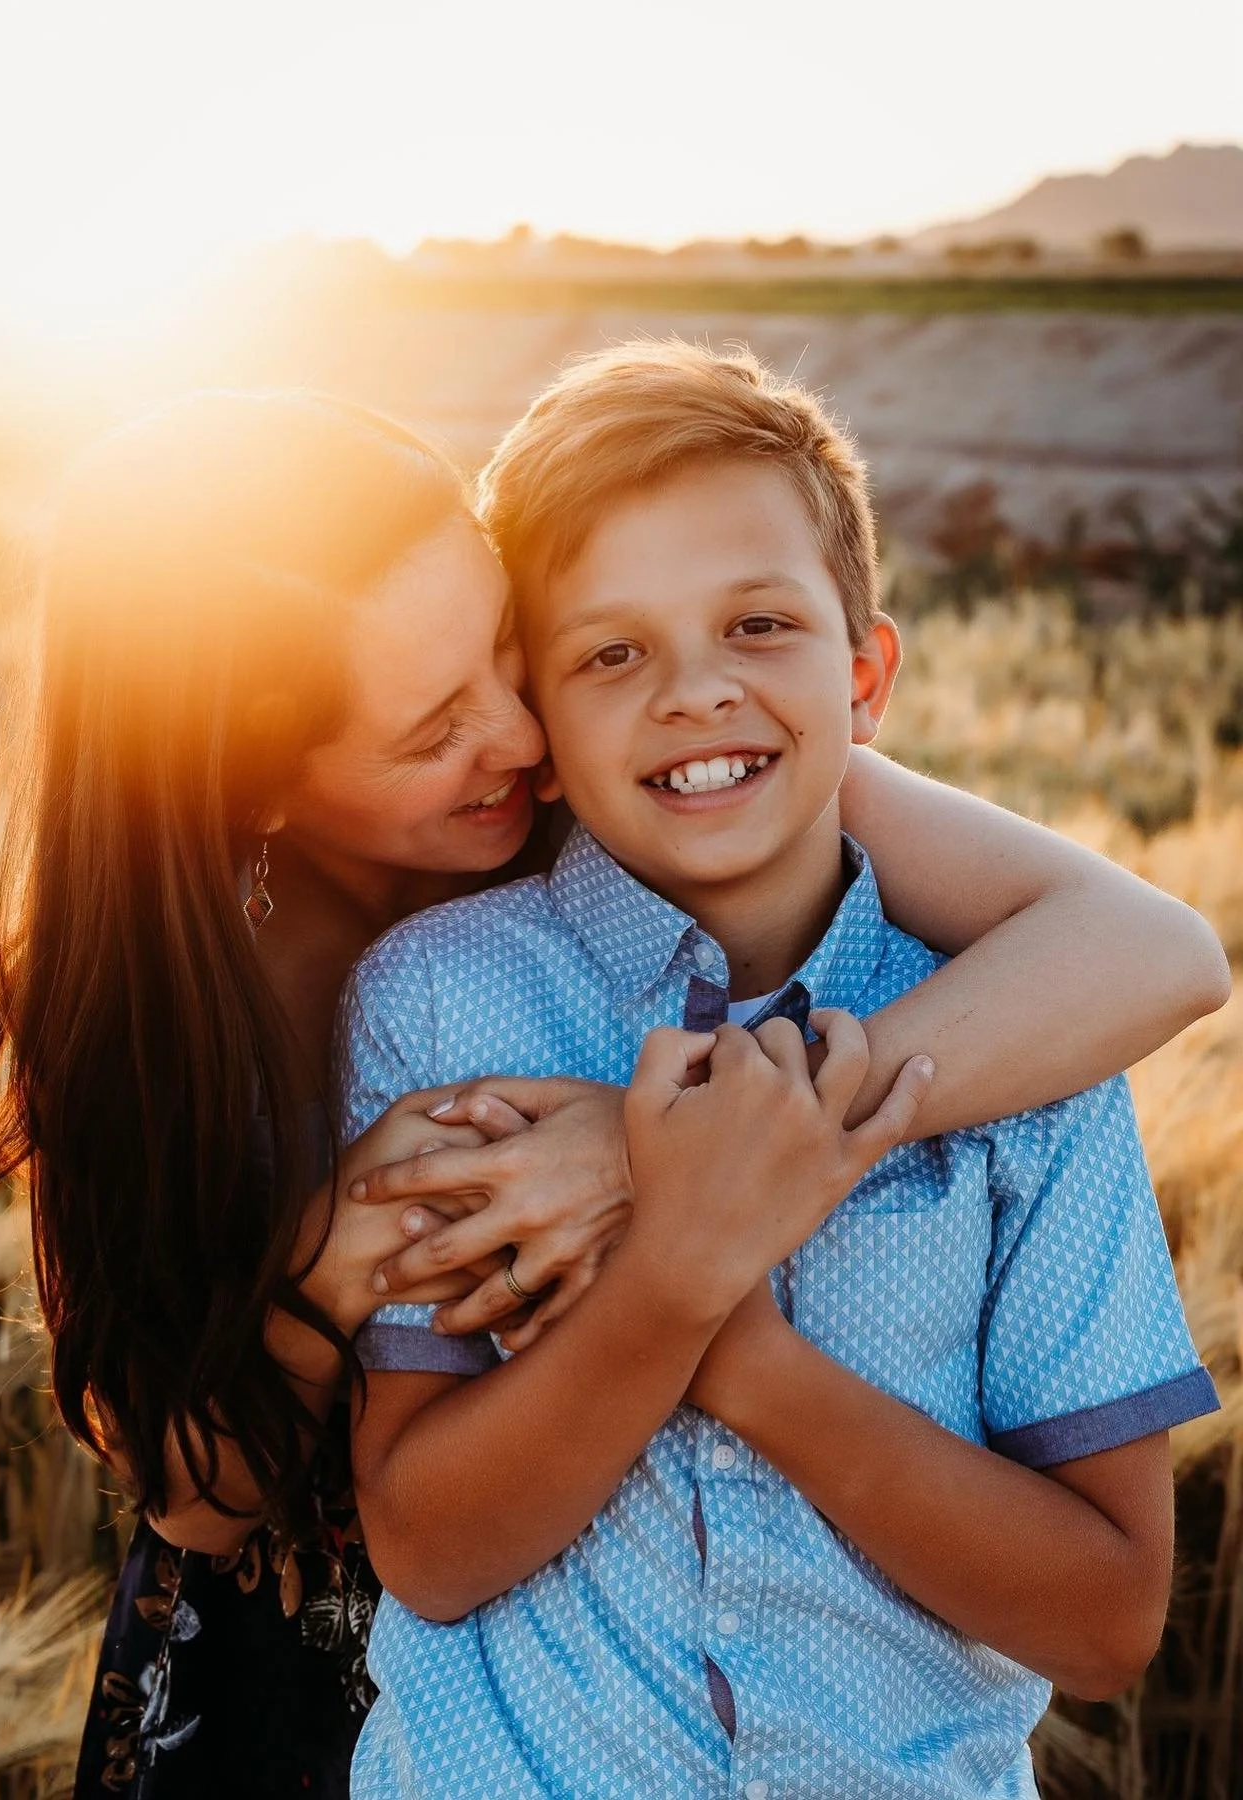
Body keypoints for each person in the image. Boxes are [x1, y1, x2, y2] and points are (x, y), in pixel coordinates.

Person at [0, 388, 1226, 1800]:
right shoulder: (163, 1002)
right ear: (256, 788)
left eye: (505, 650)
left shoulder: (660, 767)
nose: (518, 734)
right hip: (310, 1678)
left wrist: (665, 1156)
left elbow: (1154, 951)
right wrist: (336, 1257)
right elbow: (195, 1492)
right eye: (436, 725)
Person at [341, 343, 1224, 1799]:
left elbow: (1107, 1619)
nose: (696, 693)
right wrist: (674, 1286)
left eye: (758, 624)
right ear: (540, 731)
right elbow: (429, 1550)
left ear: (866, 674)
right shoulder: (444, 1008)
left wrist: (746, 1361)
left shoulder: (1031, 1040)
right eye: (611, 653)